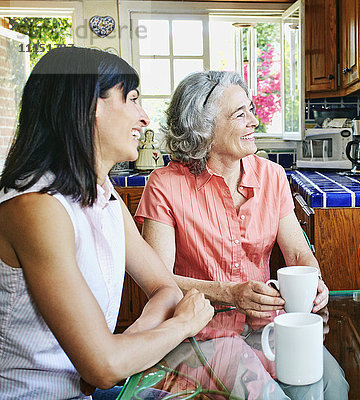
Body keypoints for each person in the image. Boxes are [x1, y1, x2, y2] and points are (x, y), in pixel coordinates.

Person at [0, 47, 213, 399]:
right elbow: (102, 368)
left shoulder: (103, 192)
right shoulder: (35, 208)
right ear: (89, 106)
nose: (144, 118)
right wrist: (181, 325)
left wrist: (122, 350)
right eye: (131, 99)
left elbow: (165, 288)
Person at [135, 71, 329, 319]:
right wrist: (230, 293)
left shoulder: (273, 175)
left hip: (263, 331)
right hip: (193, 330)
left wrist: (315, 281)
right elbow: (157, 281)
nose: (254, 121)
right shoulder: (164, 184)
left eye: (251, 109)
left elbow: (297, 254)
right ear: (203, 129)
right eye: (240, 114)